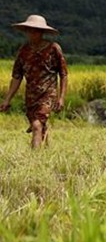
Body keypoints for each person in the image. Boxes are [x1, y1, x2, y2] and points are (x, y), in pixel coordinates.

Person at [1, 14, 68, 148]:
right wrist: (7, 99)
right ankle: (47, 150)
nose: (32, 33)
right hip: (31, 96)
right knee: (39, 125)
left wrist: (61, 98)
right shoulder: (23, 51)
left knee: (37, 125)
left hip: (48, 94)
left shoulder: (53, 49)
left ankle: (34, 160)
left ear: (42, 32)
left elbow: (63, 74)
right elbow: (17, 77)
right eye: (29, 30)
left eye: (35, 30)